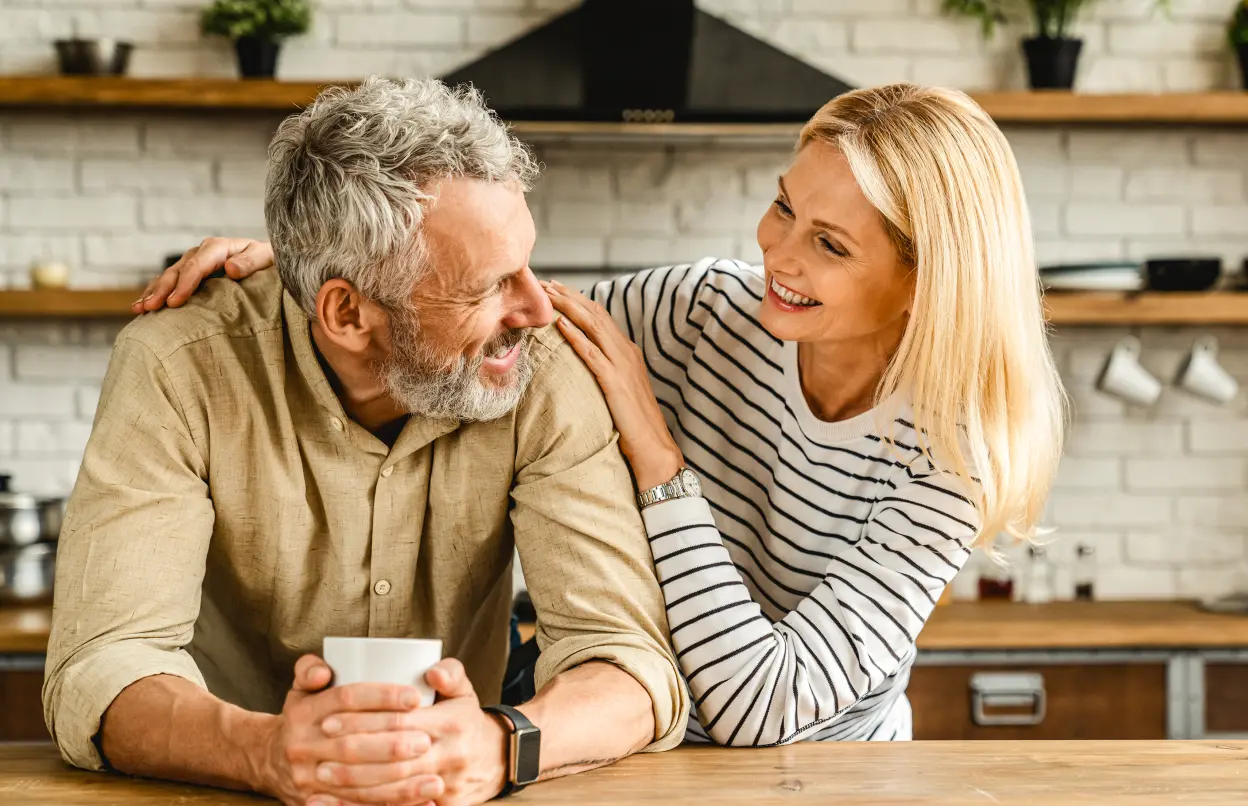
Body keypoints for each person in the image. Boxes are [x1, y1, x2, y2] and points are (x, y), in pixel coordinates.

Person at [140, 82, 1066, 746]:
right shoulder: (708, 308)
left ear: (926, 283)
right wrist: (315, 261)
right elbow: (477, 308)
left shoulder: (954, 456)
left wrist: (658, 459)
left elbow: (765, 705)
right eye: (782, 207)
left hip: (820, 774)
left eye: (828, 244)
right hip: (628, 748)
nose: (776, 252)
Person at [43, 76, 688, 806]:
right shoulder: (178, 366)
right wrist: (261, 752)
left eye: (528, 264)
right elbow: (102, 668)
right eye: (488, 285)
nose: (537, 307)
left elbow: (630, 665)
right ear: (346, 313)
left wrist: (505, 745)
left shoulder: (539, 367)